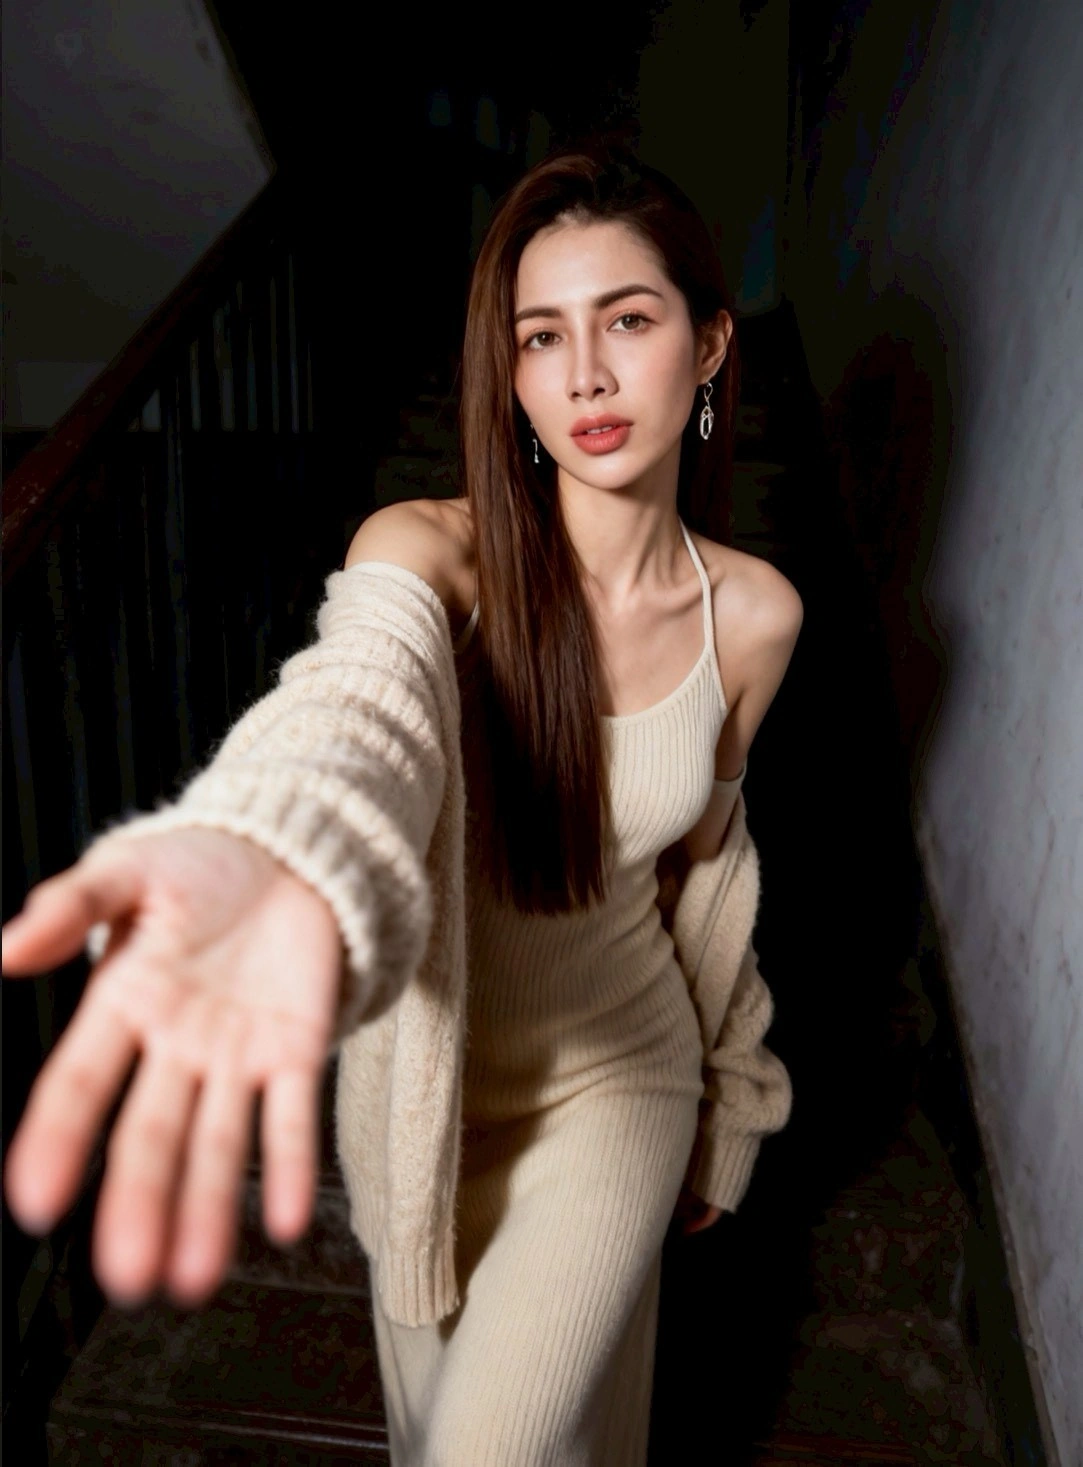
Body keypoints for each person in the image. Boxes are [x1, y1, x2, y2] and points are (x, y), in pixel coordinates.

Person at [2, 141, 802, 1464]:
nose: (584, 374)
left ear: (710, 344)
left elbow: (705, 873)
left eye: (628, 320)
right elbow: (356, 710)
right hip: (423, 1100)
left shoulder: (754, 615)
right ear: (510, 372)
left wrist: (730, 1102)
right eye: (540, 337)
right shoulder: (427, 551)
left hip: (617, 1073)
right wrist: (272, 838)